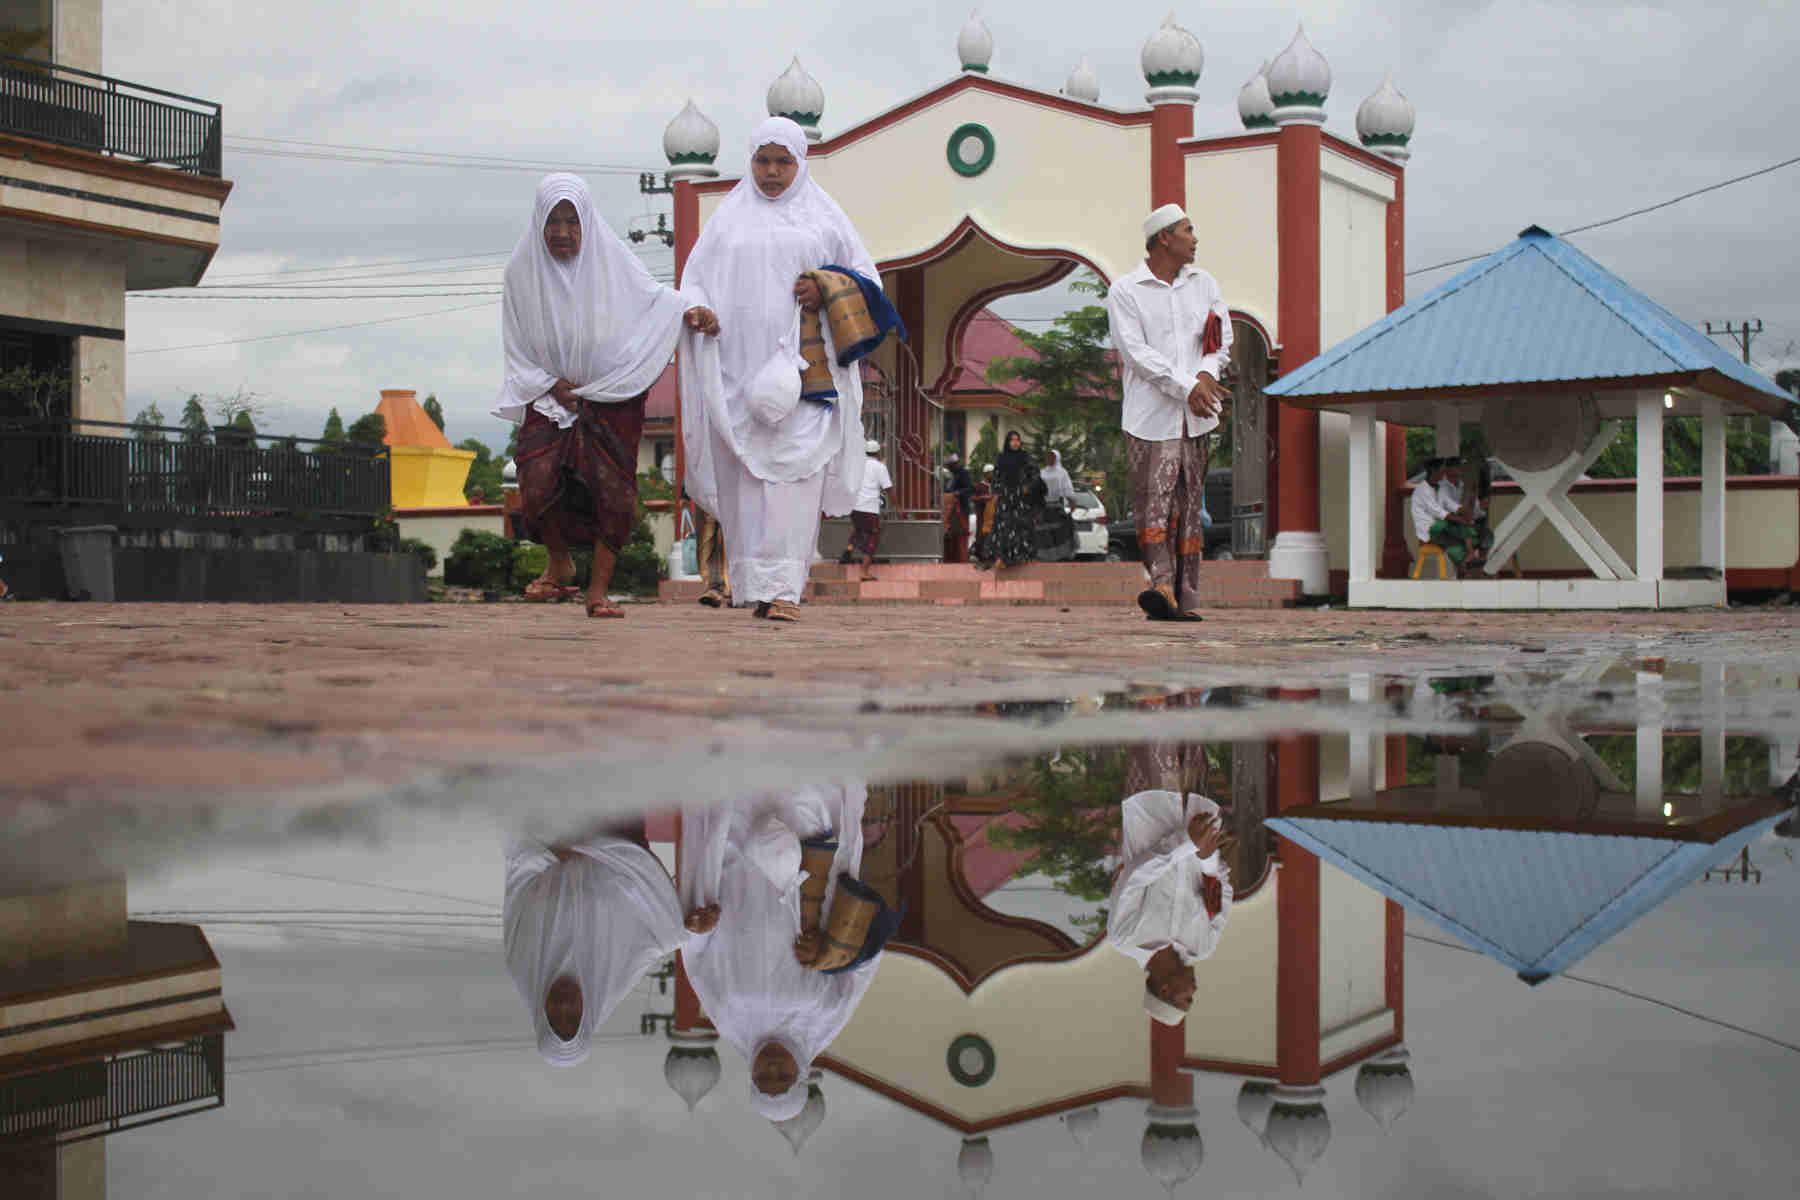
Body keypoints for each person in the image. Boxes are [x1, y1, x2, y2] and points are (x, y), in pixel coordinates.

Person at [678, 118, 897, 624]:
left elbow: (869, 282)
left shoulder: (825, 220)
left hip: (806, 375)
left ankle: (785, 590)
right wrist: (698, 310)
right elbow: (694, 280)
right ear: (749, 161)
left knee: (795, 479)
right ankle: (754, 586)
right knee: (746, 485)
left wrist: (826, 286)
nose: (772, 172)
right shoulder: (728, 222)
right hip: (736, 373)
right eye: (762, 160)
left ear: (800, 163)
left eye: (783, 161)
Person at [493, 174, 719, 618]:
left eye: (572, 222)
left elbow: (655, 301)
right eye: (553, 221)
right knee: (536, 483)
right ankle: (560, 565)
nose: (562, 232)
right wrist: (551, 385)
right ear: (539, 221)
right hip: (547, 395)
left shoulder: (612, 259)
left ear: (588, 223)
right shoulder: (520, 272)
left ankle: (597, 591)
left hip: (613, 395)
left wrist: (689, 310)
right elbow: (515, 341)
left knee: (611, 492)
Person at [679, 782, 897, 1121]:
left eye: (764, 1078)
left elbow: (695, 955)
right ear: (801, 1076)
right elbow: (867, 960)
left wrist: (700, 925)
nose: (773, 1068)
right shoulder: (827, 1017)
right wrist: (828, 952)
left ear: (751, 1076)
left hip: (737, 867)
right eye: (783, 1078)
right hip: (812, 856)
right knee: (805, 779)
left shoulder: (725, 1015)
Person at [1105, 203, 1232, 622]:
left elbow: (1219, 340)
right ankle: (1160, 584)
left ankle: (1184, 595)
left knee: (1189, 505)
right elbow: (1137, 355)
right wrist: (1187, 387)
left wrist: (1205, 375)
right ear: (1164, 238)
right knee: (1152, 504)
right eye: (1187, 229)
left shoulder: (1205, 283)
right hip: (1149, 419)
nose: (1195, 238)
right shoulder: (1126, 291)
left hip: (1197, 416)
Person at [503, 818, 688, 1067]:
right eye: (573, 1018)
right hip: (617, 825)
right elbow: (665, 934)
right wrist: (692, 927)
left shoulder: (522, 961)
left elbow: (518, 875)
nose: (564, 1007)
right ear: (586, 1016)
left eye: (555, 1018)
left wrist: (551, 852)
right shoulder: (613, 971)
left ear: (541, 1017)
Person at [1105, 759, 1235, 1025]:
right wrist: (1207, 858)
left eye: (1187, 998)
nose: (1194, 992)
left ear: (1165, 990)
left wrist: (1187, 844)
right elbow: (1222, 892)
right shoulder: (1203, 946)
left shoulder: (1125, 938)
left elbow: (1134, 879)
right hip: (1199, 806)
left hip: (1152, 802)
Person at [977, 430, 1041, 569]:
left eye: (1017, 440)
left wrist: (1027, 487)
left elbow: (1035, 475)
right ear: (1007, 442)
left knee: (1021, 526)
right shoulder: (1002, 458)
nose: (1015, 442)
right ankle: (1003, 557)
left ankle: (1022, 556)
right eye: (1012, 440)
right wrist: (998, 490)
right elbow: (996, 477)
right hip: (1006, 498)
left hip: (1020, 498)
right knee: (1005, 526)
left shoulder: (1025, 457)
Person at [1411, 457, 1483, 570]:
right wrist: (1461, 519)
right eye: (1442, 470)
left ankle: (1468, 558)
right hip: (1429, 528)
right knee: (1459, 526)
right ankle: (1468, 558)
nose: (1444, 473)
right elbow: (1438, 512)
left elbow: (1451, 505)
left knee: (1465, 531)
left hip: (1441, 525)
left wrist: (1466, 507)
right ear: (1434, 472)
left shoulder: (1438, 487)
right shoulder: (1422, 489)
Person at [847, 438, 892, 581]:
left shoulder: (857, 465)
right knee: (873, 536)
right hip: (869, 507)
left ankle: (847, 552)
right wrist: (898, 505)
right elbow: (888, 488)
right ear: (878, 452)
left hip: (854, 506)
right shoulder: (880, 467)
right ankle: (864, 571)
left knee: (859, 530)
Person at [942, 453, 974, 564]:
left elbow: (970, 489)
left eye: (949, 466)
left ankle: (962, 560)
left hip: (961, 510)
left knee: (961, 536)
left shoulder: (964, 473)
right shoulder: (952, 475)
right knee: (950, 536)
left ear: (954, 464)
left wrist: (957, 493)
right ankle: (952, 560)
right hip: (951, 511)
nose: (948, 468)